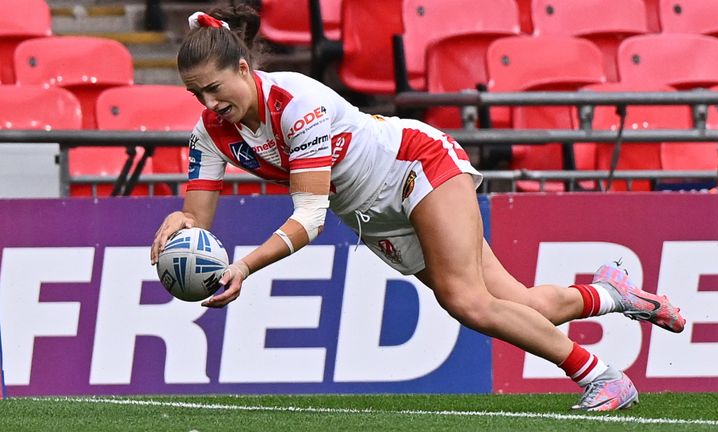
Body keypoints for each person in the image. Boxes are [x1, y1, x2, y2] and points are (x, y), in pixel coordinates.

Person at [150, 5, 686, 411]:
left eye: (215, 88)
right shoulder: (208, 135)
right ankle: (612, 293)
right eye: (197, 94)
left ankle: (600, 375)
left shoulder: (297, 103)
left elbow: (309, 217)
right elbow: (198, 220)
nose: (210, 103)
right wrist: (180, 224)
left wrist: (243, 265)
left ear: (244, 68)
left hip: (415, 165)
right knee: (523, 305)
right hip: (373, 214)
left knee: (465, 300)